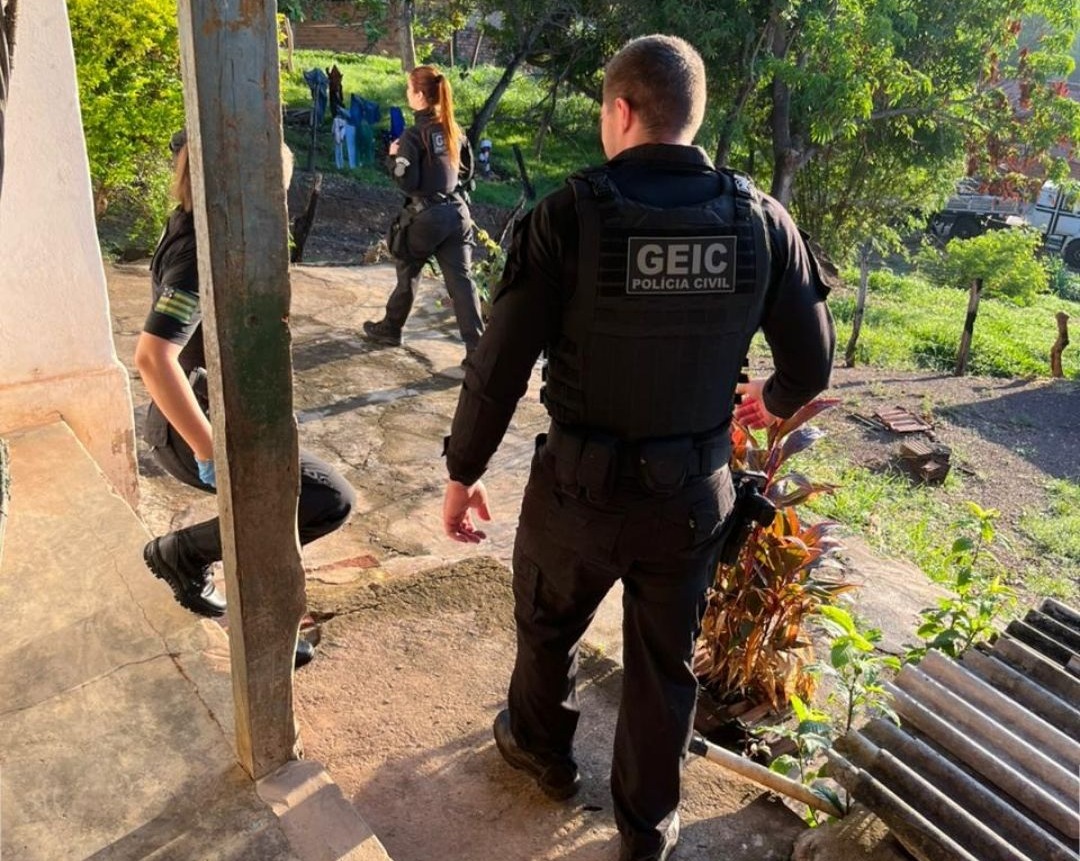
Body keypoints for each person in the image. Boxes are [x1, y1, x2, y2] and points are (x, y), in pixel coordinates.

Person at [440, 35, 835, 861]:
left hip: (576, 495)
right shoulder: (761, 220)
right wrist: (773, 400)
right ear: (692, 114)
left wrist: (463, 470)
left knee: (547, 627)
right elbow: (812, 360)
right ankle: (647, 827)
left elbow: (497, 365)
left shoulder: (565, 216)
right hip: (690, 501)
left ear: (621, 110)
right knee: (663, 665)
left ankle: (541, 752)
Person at [135, 130, 356, 668]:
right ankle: (187, 558)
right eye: (275, 191)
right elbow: (153, 358)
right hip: (193, 428)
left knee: (277, 512)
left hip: (213, 414)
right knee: (322, 500)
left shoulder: (202, 225)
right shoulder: (201, 250)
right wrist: (209, 448)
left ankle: (264, 623)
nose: (279, 206)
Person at [362, 65, 483, 356]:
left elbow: (408, 182)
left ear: (419, 95)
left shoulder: (414, 136)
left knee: (407, 262)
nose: (407, 93)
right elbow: (467, 173)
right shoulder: (454, 129)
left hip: (428, 216)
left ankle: (391, 328)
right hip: (457, 214)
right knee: (462, 282)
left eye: (409, 88)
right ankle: (478, 351)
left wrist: (393, 158)